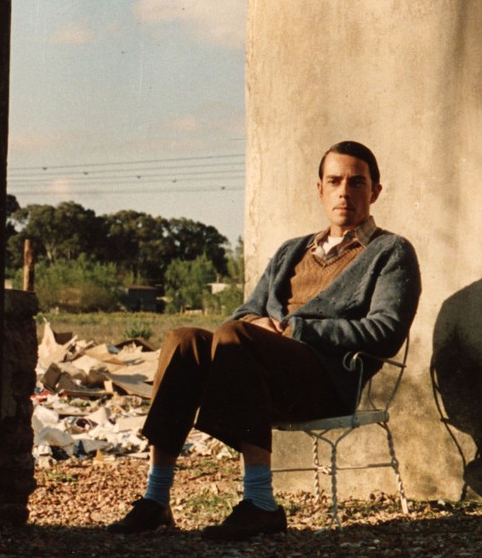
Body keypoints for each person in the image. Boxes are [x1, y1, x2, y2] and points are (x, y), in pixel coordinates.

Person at [107, 140, 421, 540]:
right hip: (258, 369)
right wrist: (257, 323)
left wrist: (296, 330)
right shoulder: (292, 250)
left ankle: (261, 503)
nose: (344, 192)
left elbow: (385, 332)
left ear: (375, 191)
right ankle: (156, 499)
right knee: (184, 340)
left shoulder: (390, 251)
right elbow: (243, 315)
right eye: (334, 181)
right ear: (320, 189)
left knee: (238, 337)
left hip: (326, 381)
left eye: (356, 182)